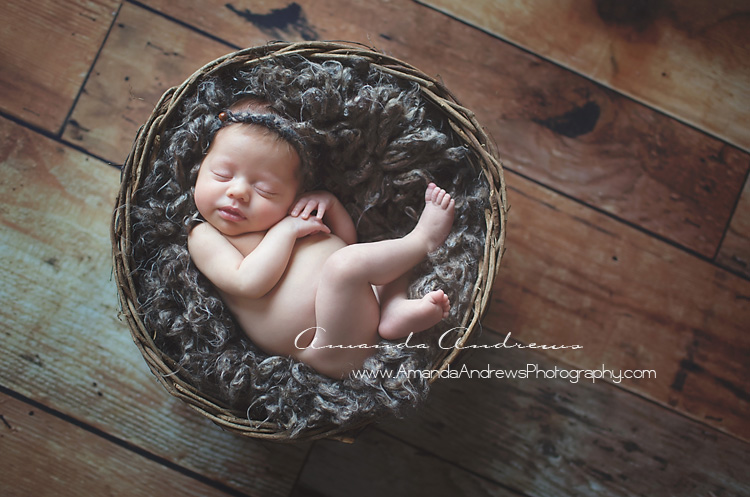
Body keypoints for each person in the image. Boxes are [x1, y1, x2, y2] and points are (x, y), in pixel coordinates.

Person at [187, 100, 455, 379]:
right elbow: (247, 282)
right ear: (200, 167)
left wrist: (331, 204)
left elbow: (345, 243)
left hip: (357, 307)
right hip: (325, 346)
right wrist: (286, 231)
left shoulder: (286, 215)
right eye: (222, 175)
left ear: (294, 193)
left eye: (265, 190)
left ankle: (392, 310)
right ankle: (424, 239)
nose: (238, 191)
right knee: (346, 266)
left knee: (382, 262)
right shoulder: (204, 234)